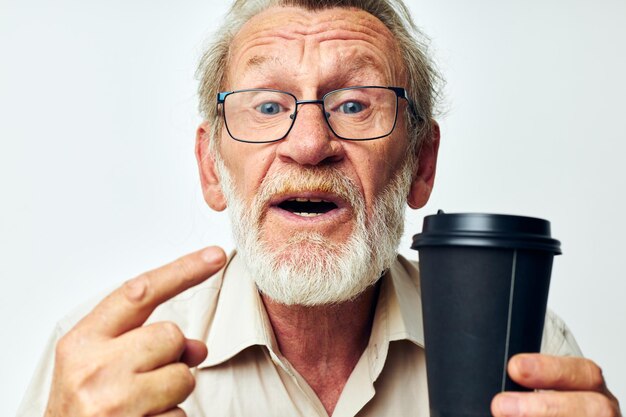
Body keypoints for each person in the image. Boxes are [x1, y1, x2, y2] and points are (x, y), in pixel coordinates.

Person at [18, 0, 621, 416]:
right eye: (269, 105)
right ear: (211, 167)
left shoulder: (527, 346)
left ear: (421, 163)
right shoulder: (100, 362)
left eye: (356, 105)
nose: (309, 145)